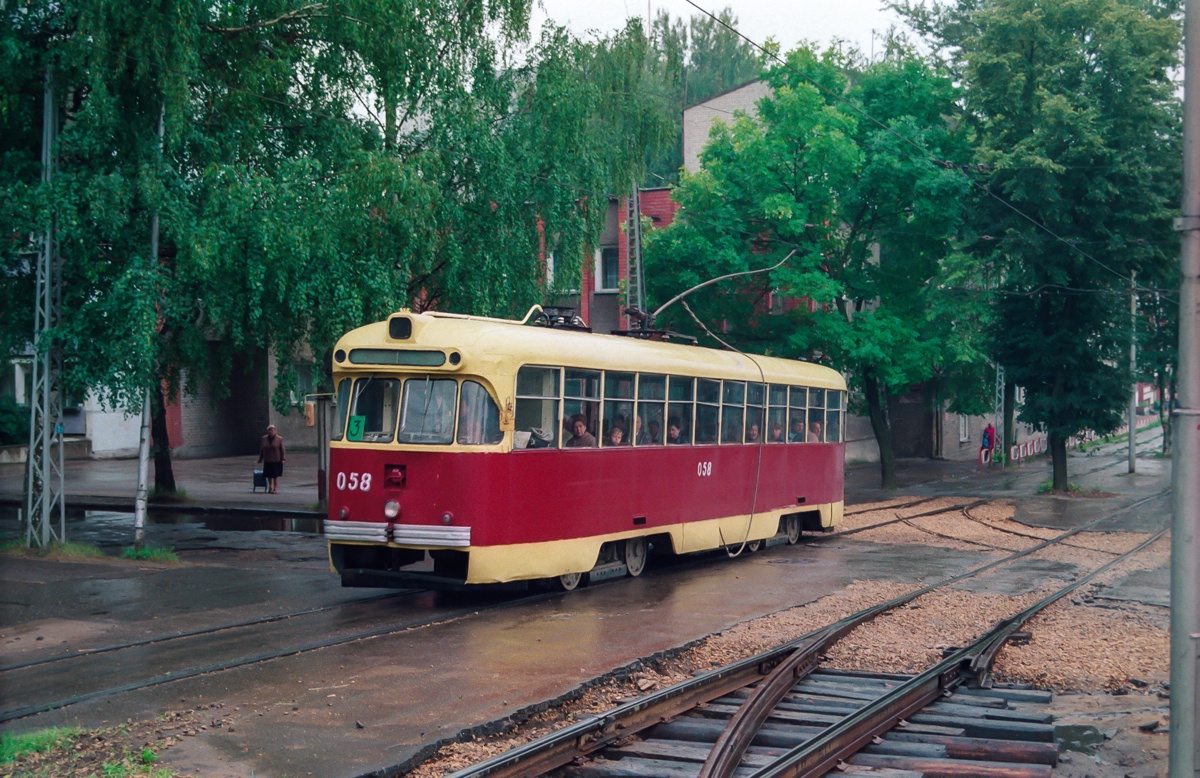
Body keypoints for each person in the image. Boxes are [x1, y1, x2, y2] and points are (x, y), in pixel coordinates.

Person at [258, 424, 286, 494]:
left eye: (272, 430)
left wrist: (283, 459)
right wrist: (260, 458)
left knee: (275, 475)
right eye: (269, 430)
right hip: (267, 459)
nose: (270, 431)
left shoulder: (279, 439)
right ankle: (270, 487)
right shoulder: (264, 438)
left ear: (275, 431)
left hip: (277, 459)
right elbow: (262, 449)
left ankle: (275, 488)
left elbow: (282, 449)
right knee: (269, 474)